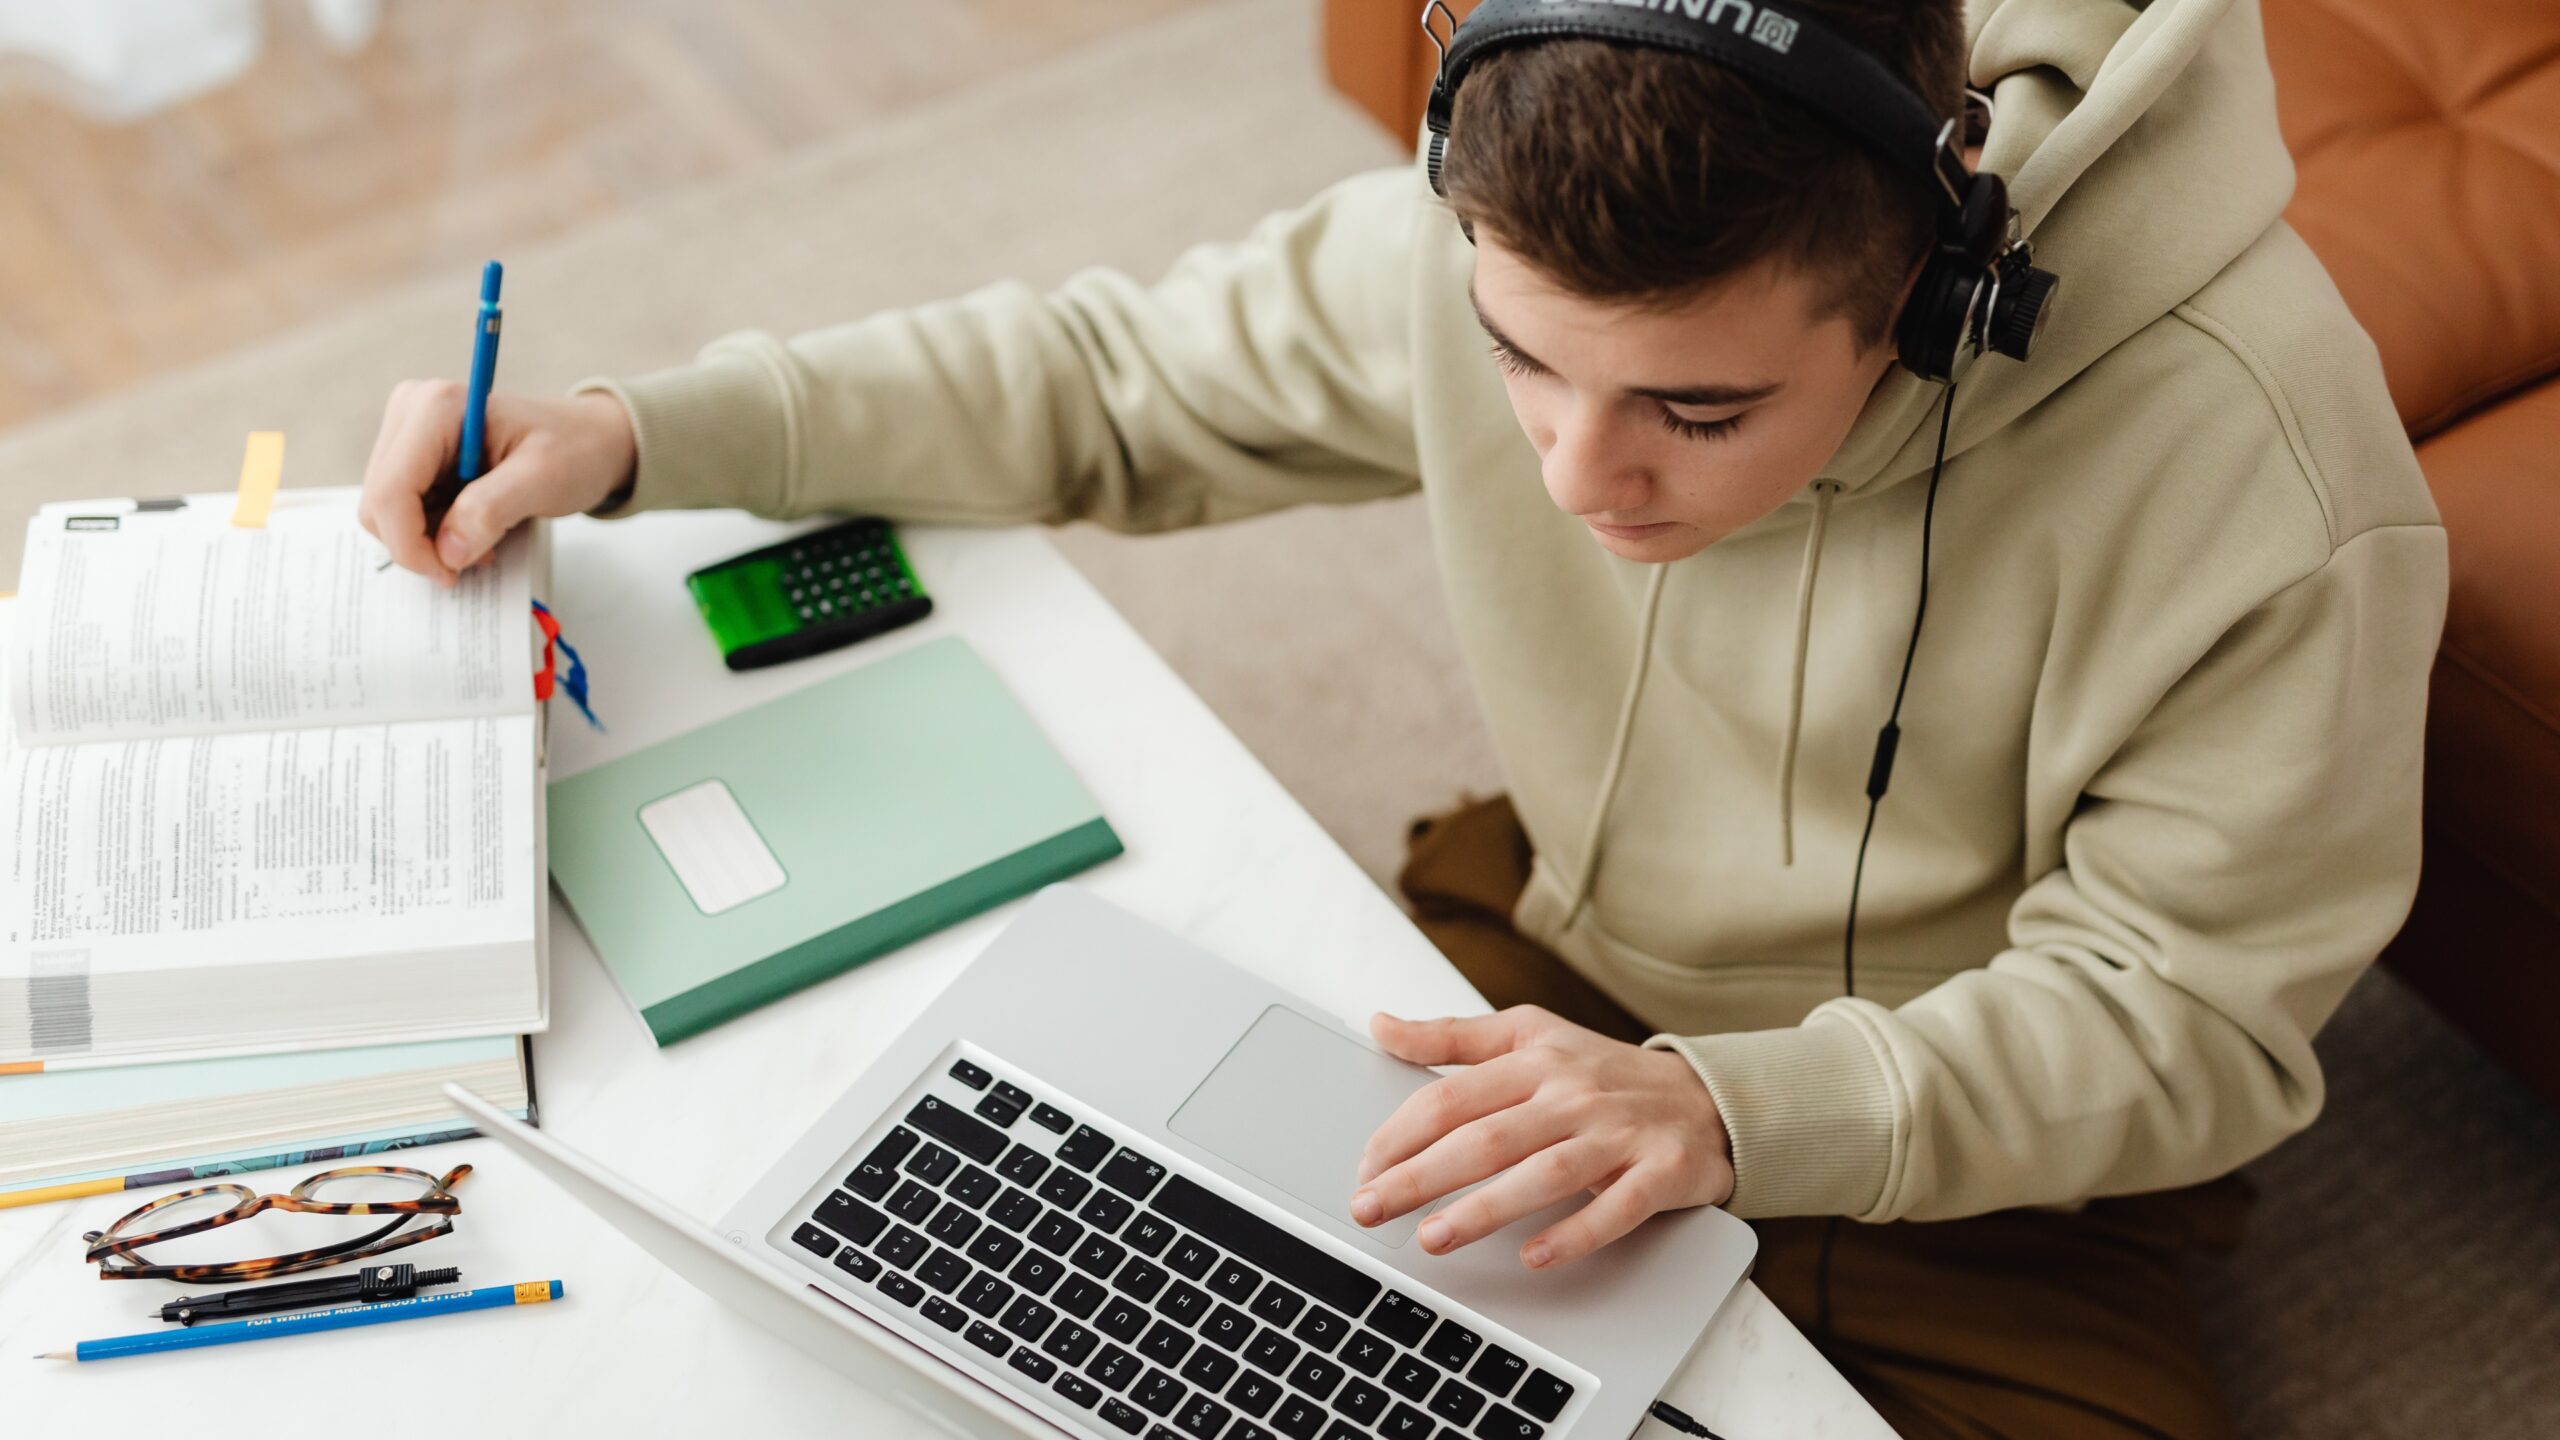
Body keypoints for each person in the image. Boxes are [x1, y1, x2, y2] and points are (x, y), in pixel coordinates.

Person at [357, 0, 2445, 1434]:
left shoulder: (2267, 481)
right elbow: (1111, 380)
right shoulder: (1519, 227)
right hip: (1556, 976)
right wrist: (645, 428)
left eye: (1693, 411)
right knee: (1101, 1311)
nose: (1569, 475)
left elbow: (2181, 1013)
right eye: (1517, 363)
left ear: (1928, 294)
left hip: (1995, 1163)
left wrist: (1736, 1114)